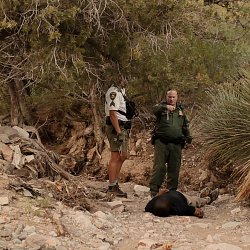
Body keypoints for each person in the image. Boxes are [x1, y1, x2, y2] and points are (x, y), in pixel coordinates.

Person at [149, 89, 192, 197]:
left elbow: (185, 125)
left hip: (176, 143)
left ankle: (171, 190)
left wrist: (188, 136)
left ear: (177, 98)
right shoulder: (161, 108)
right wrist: (165, 107)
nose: (171, 99)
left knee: (174, 167)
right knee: (159, 167)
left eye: (173, 97)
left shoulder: (180, 110)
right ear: (166, 97)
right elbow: (154, 109)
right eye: (169, 97)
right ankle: (154, 190)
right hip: (161, 142)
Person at [105, 80, 131, 198]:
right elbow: (112, 113)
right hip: (116, 127)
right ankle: (112, 186)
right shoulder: (113, 92)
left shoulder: (122, 91)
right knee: (115, 156)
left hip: (123, 126)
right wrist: (118, 131)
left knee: (123, 155)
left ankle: (114, 183)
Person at [145, 188, 219, 218]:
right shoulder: (179, 208)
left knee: (195, 198)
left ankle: (201, 194)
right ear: (170, 207)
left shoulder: (151, 205)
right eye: (164, 202)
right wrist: (197, 212)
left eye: (160, 200)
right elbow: (194, 211)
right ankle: (208, 198)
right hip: (185, 198)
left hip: (173, 192)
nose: (163, 199)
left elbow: (146, 208)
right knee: (196, 201)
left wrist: (159, 194)